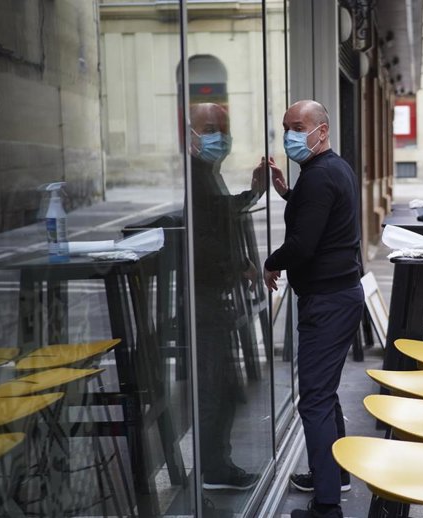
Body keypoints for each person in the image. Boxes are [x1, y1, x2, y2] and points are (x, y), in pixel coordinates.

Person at [263, 100, 364, 518]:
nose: (289, 134)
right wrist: (288, 193)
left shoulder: (320, 179)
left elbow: (303, 245)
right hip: (340, 297)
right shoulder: (331, 170)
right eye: (286, 127)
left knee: (314, 400)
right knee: (324, 392)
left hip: (327, 302)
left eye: (298, 126)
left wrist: (271, 261)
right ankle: (334, 474)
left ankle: (326, 503)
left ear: (321, 131)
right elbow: (316, 216)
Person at [190, 102, 264, 492]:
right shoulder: (194, 177)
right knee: (216, 386)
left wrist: (253, 193)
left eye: (224, 127)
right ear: (190, 134)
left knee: (225, 386)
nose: (220, 135)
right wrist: (239, 266)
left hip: (212, 295)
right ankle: (215, 469)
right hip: (201, 297)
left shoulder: (207, 174)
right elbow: (203, 241)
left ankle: (218, 464)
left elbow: (221, 216)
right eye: (210, 127)